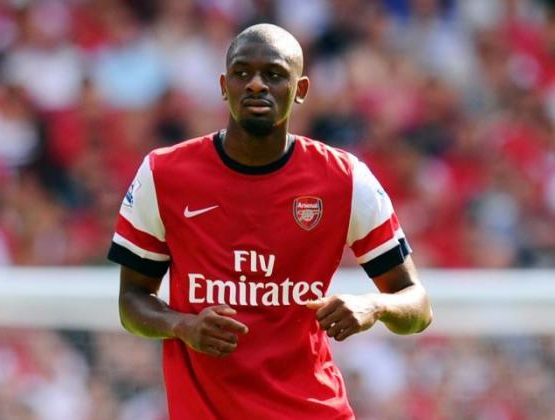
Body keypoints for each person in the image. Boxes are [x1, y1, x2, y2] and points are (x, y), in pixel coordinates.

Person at [107, 23, 432, 420]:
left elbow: (417, 306)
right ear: (224, 85)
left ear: (301, 90)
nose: (257, 85)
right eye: (243, 73)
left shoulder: (344, 180)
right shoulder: (163, 175)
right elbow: (130, 302)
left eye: (274, 75)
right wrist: (181, 325)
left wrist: (374, 306)